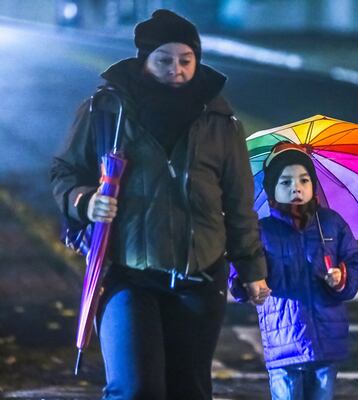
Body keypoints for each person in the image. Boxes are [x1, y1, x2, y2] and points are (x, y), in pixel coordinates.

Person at [50, 9, 271, 400]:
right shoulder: (106, 109)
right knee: (136, 389)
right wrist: (85, 202)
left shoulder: (220, 120)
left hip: (199, 278)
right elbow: (65, 171)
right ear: (144, 60)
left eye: (186, 61)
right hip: (126, 275)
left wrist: (252, 268)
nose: (177, 69)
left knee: (189, 389)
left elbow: (239, 201)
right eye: (164, 60)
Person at [229, 143, 358, 400]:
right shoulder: (262, 231)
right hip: (284, 342)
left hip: (326, 339)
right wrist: (249, 282)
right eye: (285, 182)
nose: (296, 187)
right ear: (272, 190)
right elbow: (239, 269)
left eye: (304, 179)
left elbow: (356, 263)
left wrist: (341, 278)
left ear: (314, 185)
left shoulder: (330, 224)